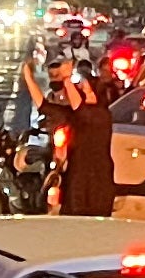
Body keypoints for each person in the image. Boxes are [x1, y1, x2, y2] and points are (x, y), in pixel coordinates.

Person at [46, 61, 117, 216]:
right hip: (82, 178)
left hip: (93, 180)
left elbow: (80, 108)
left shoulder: (98, 116)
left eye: (87, 90)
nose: (84, 93)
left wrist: (66, 78)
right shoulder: (78, 113)